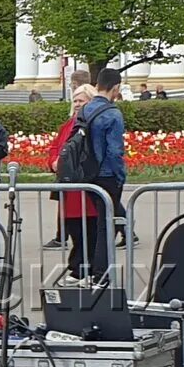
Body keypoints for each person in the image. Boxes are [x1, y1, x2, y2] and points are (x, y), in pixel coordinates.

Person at [48, 85, 98, 284]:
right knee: (74, 231)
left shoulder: (93, 125)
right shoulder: (67, 125)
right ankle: (78, 268)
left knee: (89, 232)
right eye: (75, 101)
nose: (77, 104)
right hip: (68, 190)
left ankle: (84, 270)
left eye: (81, 100)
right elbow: (54, 148)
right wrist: (53, 161)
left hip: (86, 188)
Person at [82, 68, 128, 280]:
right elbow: (114, 151)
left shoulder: (84, 110)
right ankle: (102, 272)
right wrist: (120, 176)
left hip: (87, 174)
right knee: (105, 226)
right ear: (116, 87)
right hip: (107, 174)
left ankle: (93, 268)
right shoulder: (113, 113)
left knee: (95, 225)